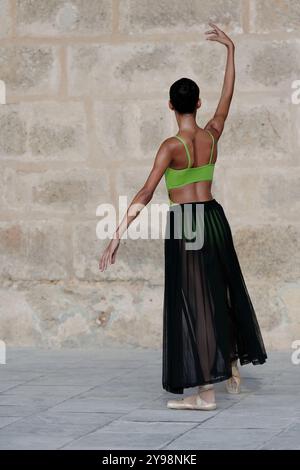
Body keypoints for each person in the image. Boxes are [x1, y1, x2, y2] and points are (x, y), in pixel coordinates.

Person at [99, 23, 267, 411]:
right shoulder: (211, 135)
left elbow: (145, 191)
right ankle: (228, 359)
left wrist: (116, 235)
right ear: (199, 103)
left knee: (193, 301)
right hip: (213, 217)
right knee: (218, 291)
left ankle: (204, 392)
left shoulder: (170, 146)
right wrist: (231, 50)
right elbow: (228, 99)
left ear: (171, 105)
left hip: (186, 223)